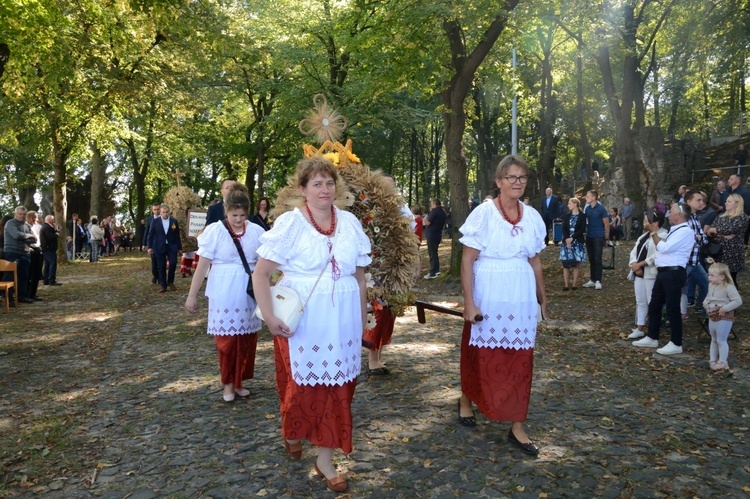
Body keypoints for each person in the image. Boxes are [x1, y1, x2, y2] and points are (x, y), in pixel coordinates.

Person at [252, 156, 370, 492]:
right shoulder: (291, 225)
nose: (324, 189)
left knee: (340, 388)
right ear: (302, 189)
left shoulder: (349, 223)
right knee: (304, 388)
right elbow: (260, 274)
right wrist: (270, 317)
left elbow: (360, 278)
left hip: (343, 320)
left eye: (329, 182)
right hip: (304, 324)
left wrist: (360, 319)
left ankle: (325, 459)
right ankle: (292, 429)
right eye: (316, 183)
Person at [458, 154, 547, 457]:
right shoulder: (483, 214)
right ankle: (467, 400)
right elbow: (467, 261)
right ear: (499, 182)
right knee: (478, 354)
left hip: (520, 296)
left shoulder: (532, 216)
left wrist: (542, 298)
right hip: (488, 292)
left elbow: (535, 261)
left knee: (521, 360)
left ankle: (517, 426)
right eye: (511, 177)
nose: (517, 182)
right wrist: (469, 302)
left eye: (522, 177)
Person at [185, 183, 265, 401]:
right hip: (223, 290)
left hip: (248, 289)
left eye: (242, 215)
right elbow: (202, 265)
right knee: (227, 340)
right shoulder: (215, 231)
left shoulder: (257, 231)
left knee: (247, 339)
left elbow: (265, 263)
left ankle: (239, 381)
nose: (238, 219)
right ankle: (228, 383)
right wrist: (192, 295)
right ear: (226, 212)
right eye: (234, 215)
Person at [362, 174, 415, 374]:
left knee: (390, 311)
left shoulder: (400, 207)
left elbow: (410, 235)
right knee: (378, 310)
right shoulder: (367, 207)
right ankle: (372, 359)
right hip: (374, 267)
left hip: (395, 266)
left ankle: (379, 354)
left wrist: (411, 262)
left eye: (391, 187)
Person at [633, 202, 695, 355]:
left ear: (679, 214)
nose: (668, 214)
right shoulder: (675, 231)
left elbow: (664, 247)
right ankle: (652, 337)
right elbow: (665, 246)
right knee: (654, 305)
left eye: (671, 211)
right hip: (663, 272)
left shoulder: (685, 231)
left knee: (673, 308)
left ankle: (676, 342)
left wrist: (653, 232)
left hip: (673, 272)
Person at [627, 210, 667, 339]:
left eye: (646, 220)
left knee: (652, 301)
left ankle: (652, 329)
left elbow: (657, 255)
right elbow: (634, 251)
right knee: (640, 301)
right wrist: (634, 264)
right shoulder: (643, 236)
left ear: (655, 223)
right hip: (639, 273)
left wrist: (642, 264)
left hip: (651, 273)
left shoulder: (664, 235)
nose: (644, 223)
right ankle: (640, 327)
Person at [706, 193, 750, 288]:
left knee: (730, 278)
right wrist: (722, 234)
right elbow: (710, 230)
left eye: (729, 201)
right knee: (718, 277)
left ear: (737, 203)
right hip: (718, 251)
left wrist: (718, 231)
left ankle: (733, 298)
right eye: (726, 201)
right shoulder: (721, 216)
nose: (726, 203)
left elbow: (731, 229)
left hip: (733, 252)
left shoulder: (742, 217)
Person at [704, 261, 741, 370]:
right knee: (714, 339)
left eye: (712, 275)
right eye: (708, 275)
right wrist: (706, 305)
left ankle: (723, 361)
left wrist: (725, 308)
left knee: (721, 340)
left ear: (722, 277)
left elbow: (738, 301)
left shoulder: (728, 287)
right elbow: (708, 297)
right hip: (712, 315)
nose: (709, 277)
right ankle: (712, 360)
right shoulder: (711, 285)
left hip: (724, 316)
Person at [682, 191, 709, 316]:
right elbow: (686, 240)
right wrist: (697, 238)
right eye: (698, 200)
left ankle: (701, 307)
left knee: (707, 285)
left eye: (702, 200)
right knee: (677, 290)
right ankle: (666, 314)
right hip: (685, 262)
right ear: (688, 202)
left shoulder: (695, 217)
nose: (701, 202)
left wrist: (698, 238)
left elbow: (704, 238)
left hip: (695, 261)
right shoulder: (684, 219)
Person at [3, 206, 36, 304]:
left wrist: (27, 237)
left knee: (24, 276)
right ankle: (9, 298)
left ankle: (22, 296)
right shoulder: (10, 223)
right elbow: (16, 235)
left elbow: (33, 240)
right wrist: (28, 236)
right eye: (20, 214)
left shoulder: (27, 226)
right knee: (10, 276)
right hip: (12, 253)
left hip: (25, 253)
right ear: (15, 214)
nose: (22, 216)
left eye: (24, 214)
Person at [147, 204, 182, 293]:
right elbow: (150, 235)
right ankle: (163, 285)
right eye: (163, 212)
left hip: (172, 246)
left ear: (169, 212)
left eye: (166, 212)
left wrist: (179, 248)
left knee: (173, 263)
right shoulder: (155, 222)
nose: (165, 214)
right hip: (159, 246)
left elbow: (177, 235)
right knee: (161, 265)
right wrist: (149, 246)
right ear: (160, 212)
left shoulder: (174, 221)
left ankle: (170, 281)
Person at [582, 190, 610, 290]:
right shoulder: (588, 209)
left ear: (593, 197)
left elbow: (606, 224)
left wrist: (606, 238)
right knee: (591, 258)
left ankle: (598, 280)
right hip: (589, 236)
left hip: (598, 236)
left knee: (598, 258)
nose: (586, 198)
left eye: (588, 196)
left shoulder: (601, 209)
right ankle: (592, 279)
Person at [560, 197, 586, 290]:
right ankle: (566, 285)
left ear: (575, 204)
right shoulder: (567, 215)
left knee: (576, 264)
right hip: (566, 242)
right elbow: (564, 228)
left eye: (570, 203)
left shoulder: (582, 216)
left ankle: (574, 284)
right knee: (565, 264)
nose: (568, 205)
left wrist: (573, 238)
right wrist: (567, 239)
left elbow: (582, 229)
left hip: (577, 241)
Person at [423, 198, 446, 279]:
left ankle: (433, 272)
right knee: (435, 253)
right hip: (438, 234)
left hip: (431, 235)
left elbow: (428, 222)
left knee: (432, 254)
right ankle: (436, 270)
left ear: (434, 204)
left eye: (431, 204)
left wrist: (425, 219)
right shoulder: (443, 212)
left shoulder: (434, 211)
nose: (431, 205)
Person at [25, 211, 43, 301]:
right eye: (36, 218)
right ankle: (29, 293)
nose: (37, 220)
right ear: (31, 218)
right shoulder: (26, 227)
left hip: (37, 249)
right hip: (32, 250)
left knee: (36, 274)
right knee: (32, 274)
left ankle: (32, 293)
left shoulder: (32, 227)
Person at [39, 215, 62, 286]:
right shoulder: (46, 227)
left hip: (46, 248)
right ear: (50, 220)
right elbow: (51, 237)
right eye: (53, 219)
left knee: (47, 264)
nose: (54, 220)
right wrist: (57, 234)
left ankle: (46, 279)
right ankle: (51, 280)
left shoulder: (46, 227)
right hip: (49, 248)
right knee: (52, 264)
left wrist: (56, 231)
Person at [144, 203, 161, 283]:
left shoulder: (164, 218)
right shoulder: (149, 219)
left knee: (161, 262)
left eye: (158, 209)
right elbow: (146, 232)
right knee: (154, 262)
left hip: (162, 243)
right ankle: (155, 275)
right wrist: (145, 244)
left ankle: (161, 277)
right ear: (152, 210)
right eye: (155, 209)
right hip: (153, 244)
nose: (156, 211)